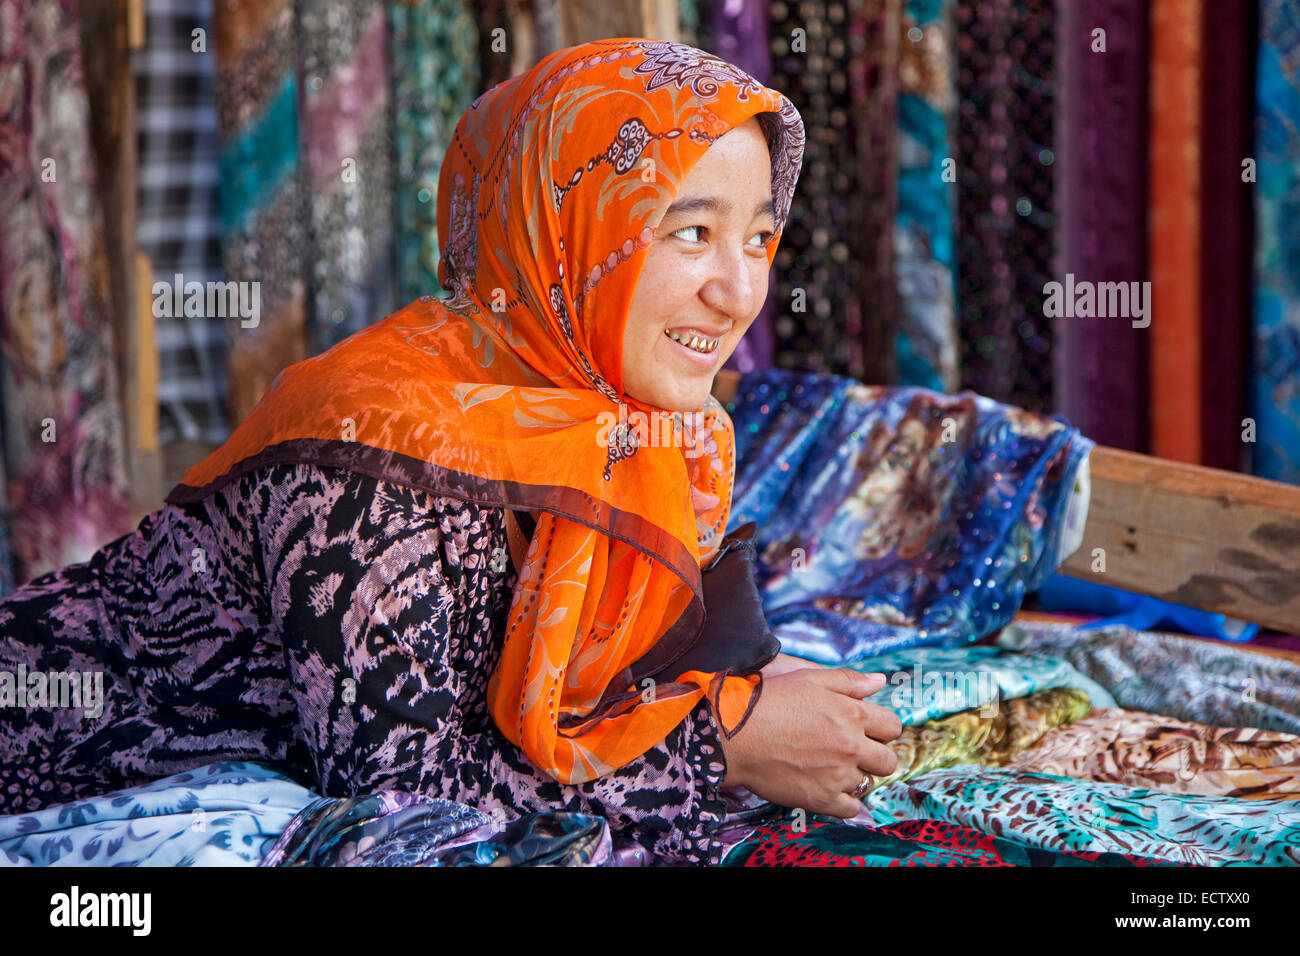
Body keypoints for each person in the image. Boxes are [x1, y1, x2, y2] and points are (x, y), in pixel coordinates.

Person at [0, 38, 900, 865]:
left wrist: (756, 690)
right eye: (689, 232)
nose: (738, 291)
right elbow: (401, 792)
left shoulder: (641, 431)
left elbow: (609, 681)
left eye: (758, 239)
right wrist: (723, 749)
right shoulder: (372, 448)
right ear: (560, 231)